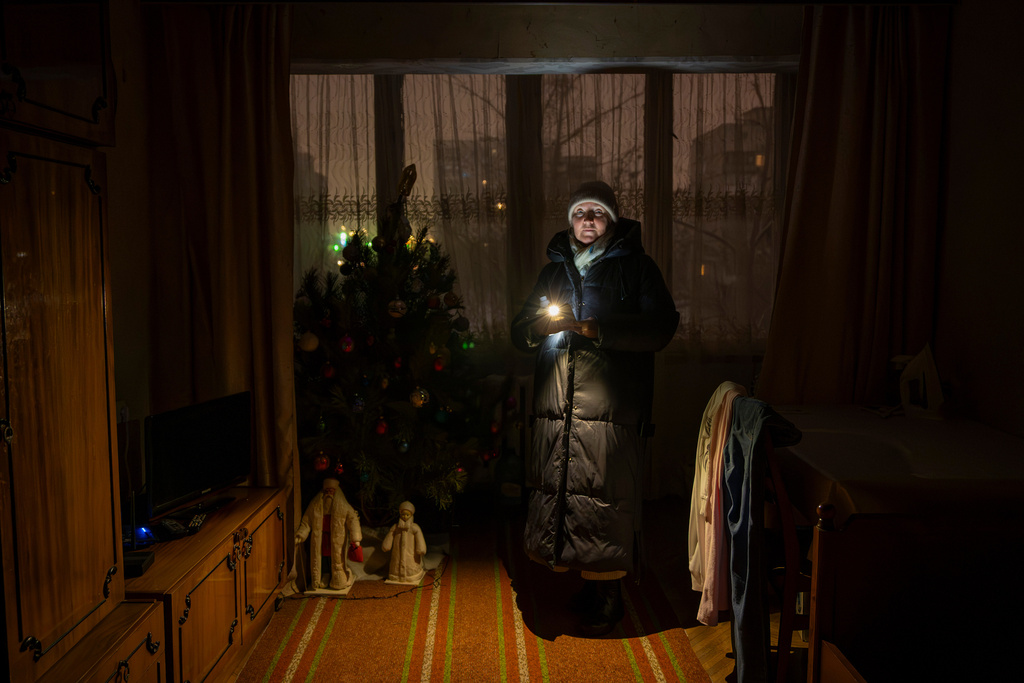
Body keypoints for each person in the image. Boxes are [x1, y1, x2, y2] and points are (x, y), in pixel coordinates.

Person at [511, 180, 679, 636]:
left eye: (597, 213)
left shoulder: (636, 268)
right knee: (567, 491)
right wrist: (536, 330)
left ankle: (610, 593)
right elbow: (520, 328)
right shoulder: (554, 272)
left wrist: (596, 330)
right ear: (570, 220)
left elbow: (661, 326)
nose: (587, 219)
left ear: (611, 220)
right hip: (558, 404)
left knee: (602, 496)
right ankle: (584, 580)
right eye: (580, 212)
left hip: (609, 408)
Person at [295, 477, 363, 592]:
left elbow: (352, 519)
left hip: (336, 538)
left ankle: (336, 577)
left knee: (336, 557)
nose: (329, 494)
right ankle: (325, 575)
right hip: (322, 538)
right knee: (323, 557)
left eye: (331, 491)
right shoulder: (316, 505)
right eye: (327, 491)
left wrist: (355, 538)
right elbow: (307, 520)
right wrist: (301, 534)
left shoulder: (343, 506)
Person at [381, 500, 427, 585]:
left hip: (411, 557)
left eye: (407, 514)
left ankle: (411, 575)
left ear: (411, 515)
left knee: (410, 565)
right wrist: (386, 545)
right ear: (400, 514)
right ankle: (395, 575)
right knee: (396, 563)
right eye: (403, 514)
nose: (405, 517)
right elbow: (389, 537)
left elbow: (419, 539)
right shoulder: (395, 527)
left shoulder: (414, 528)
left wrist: (421, 549)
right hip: (397, 557)